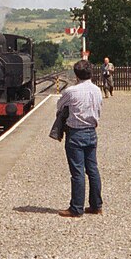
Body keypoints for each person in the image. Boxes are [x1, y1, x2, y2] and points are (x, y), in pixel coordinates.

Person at [55, 59, 103, 217]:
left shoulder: (71, 92)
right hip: (91, 132)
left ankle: (76, 208)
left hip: (75, 134)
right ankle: (96, 205)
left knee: (77, 172)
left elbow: (60, 106)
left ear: (76, 75)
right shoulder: (97, 90)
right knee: (93, 170)